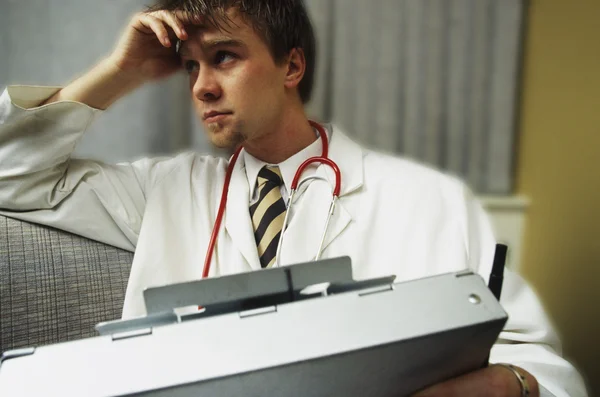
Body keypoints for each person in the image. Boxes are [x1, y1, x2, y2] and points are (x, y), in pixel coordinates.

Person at [0, 0, 587, 396]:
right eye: (189, 67)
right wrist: (120, 71)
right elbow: (12, 177)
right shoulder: (163, 190)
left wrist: (499, 384)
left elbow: (542, 365)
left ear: (292, 65)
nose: (202, 85)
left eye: (225, 57)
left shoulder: (428, 199)